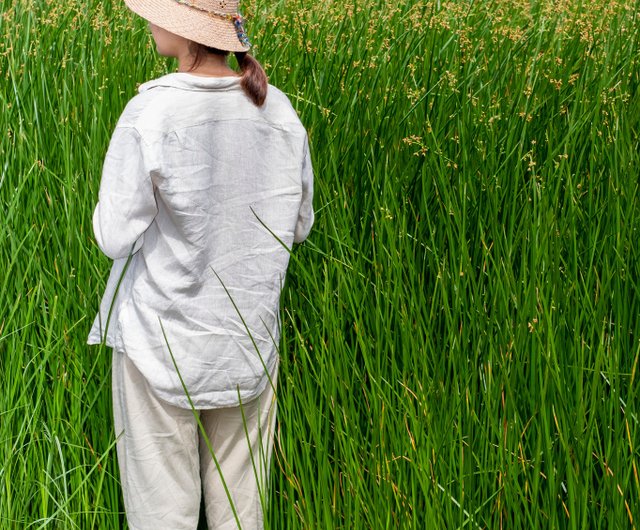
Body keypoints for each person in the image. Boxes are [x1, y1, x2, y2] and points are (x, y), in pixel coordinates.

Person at [86, 0, 315, 528]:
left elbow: (114, 236)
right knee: (242, 512)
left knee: (162, 513)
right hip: (248, 343)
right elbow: (298, 226)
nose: (146, 19)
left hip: (159, 342)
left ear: (182, 28)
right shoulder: (277, 109)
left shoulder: (152, 111)